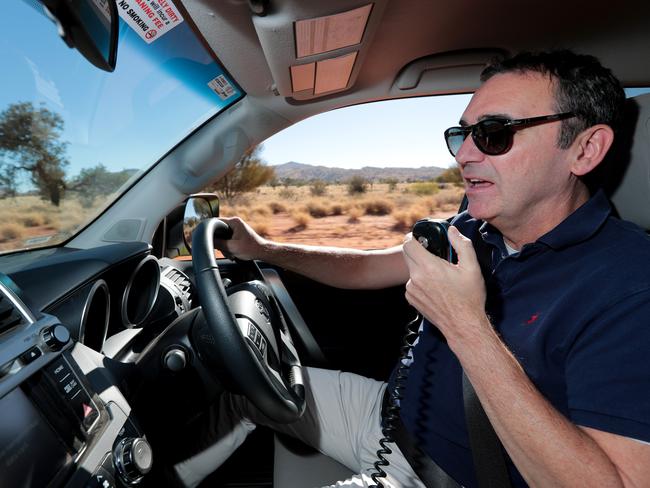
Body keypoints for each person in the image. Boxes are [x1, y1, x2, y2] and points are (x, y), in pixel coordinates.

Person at [175, 50, 650, 487]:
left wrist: (466, 325)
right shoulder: (474, 227)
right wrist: (265, 249)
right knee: (236, 384)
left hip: (446, 475)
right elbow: (366, 270)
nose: (464, 155)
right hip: (388, 416)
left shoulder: (630, 285)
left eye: (494, 134)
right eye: (462, 135)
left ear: (585, 150)